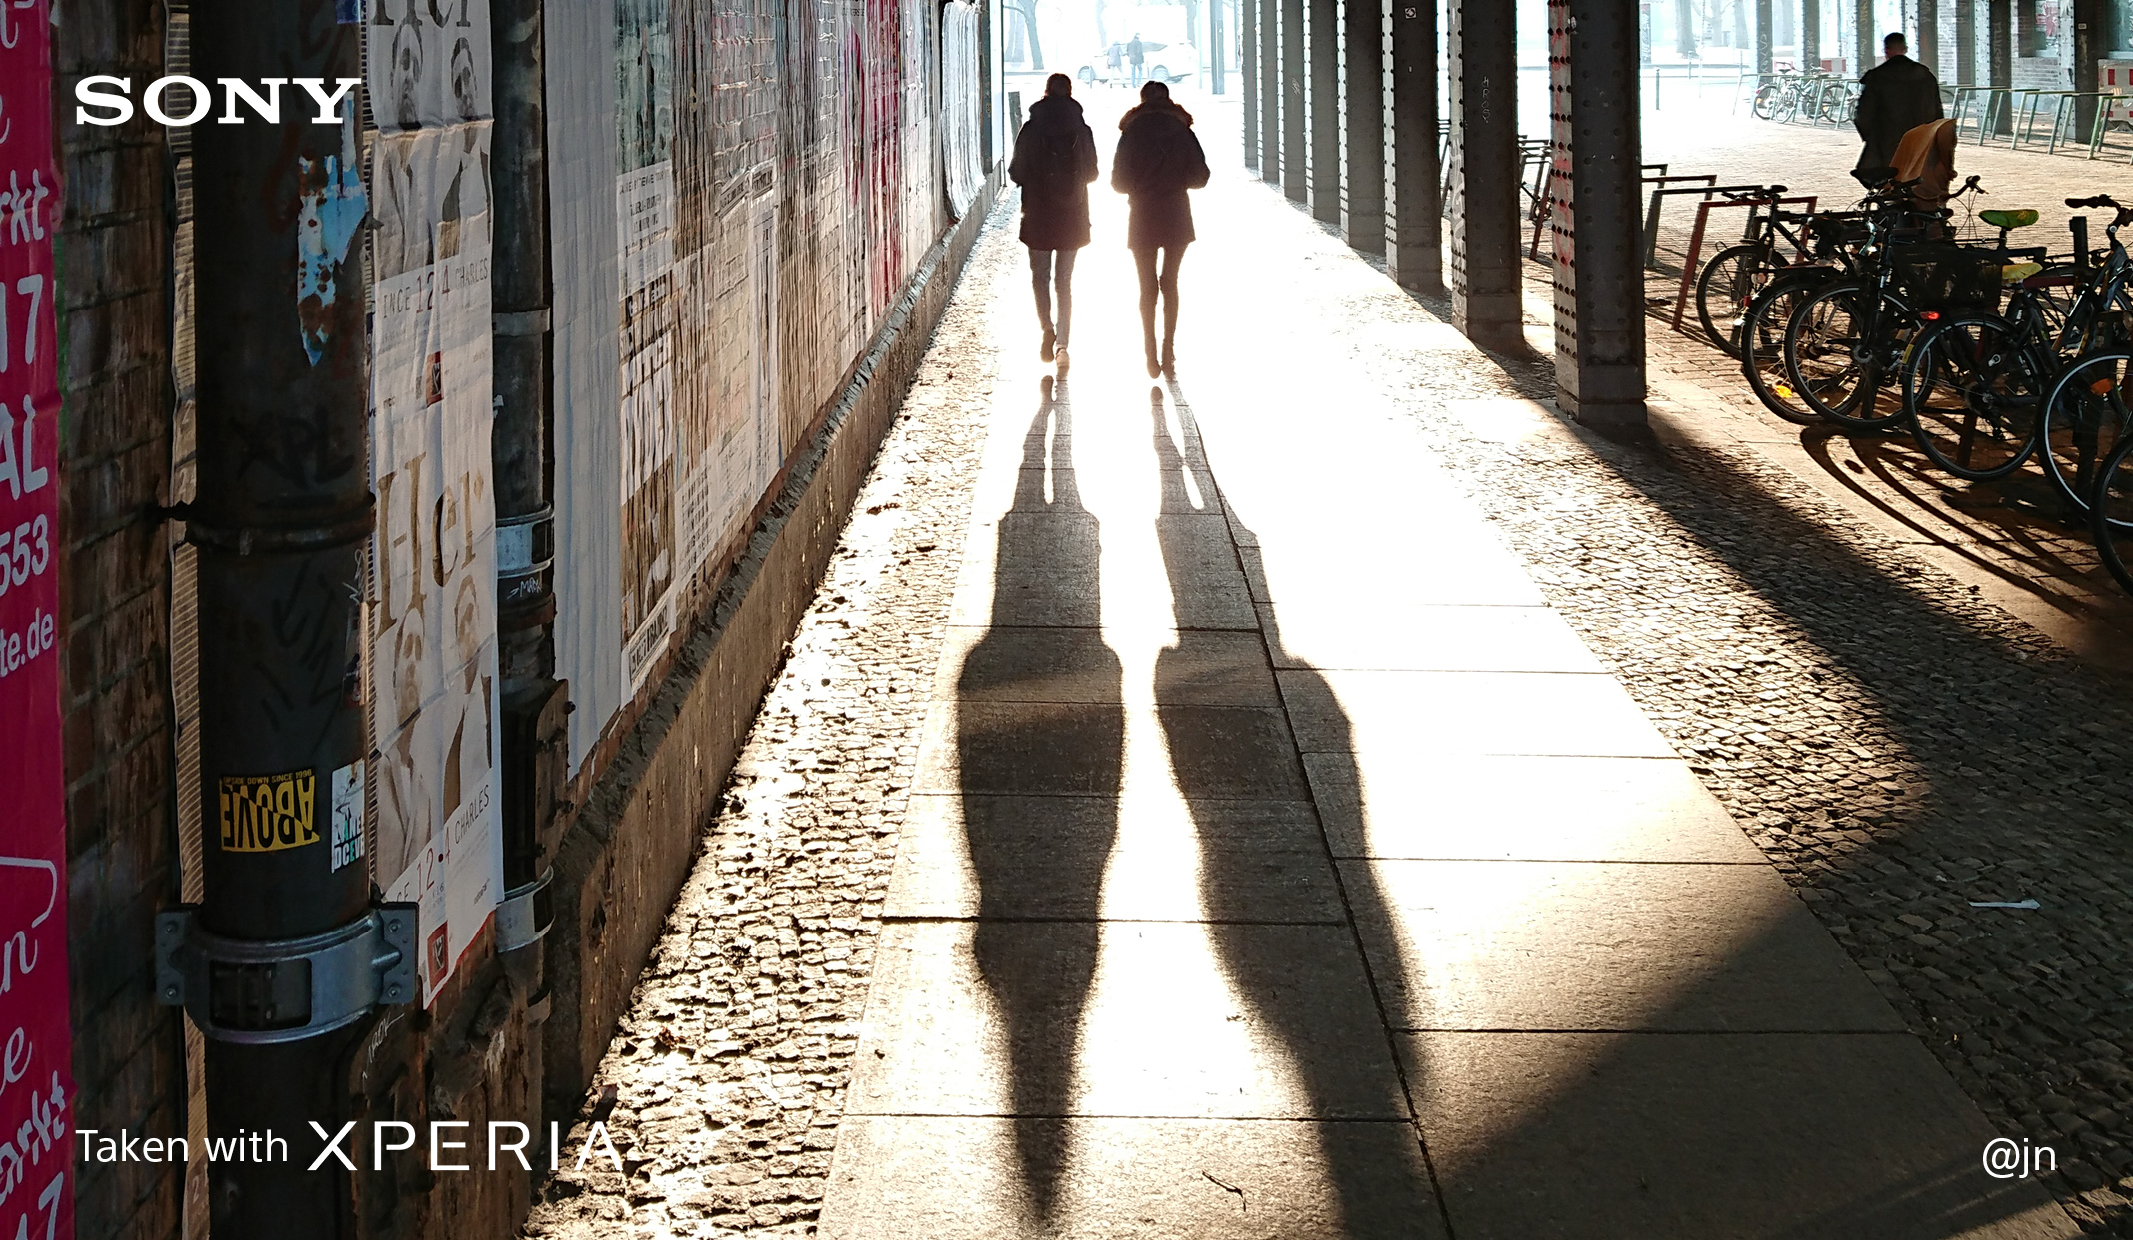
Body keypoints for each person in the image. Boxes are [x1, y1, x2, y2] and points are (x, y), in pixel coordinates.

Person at [1112, 80, 1209, 378]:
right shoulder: (1182, 131)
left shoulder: (1131, 133)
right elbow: (1201, 177)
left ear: (1142, 101)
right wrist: (1175, 180)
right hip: (1176, 212)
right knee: (1170, 282)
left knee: (1147, 286)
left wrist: (1140, 185)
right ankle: (1169, 349)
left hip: (1142, 213)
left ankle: (1150, 353)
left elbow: (1118, 183)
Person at [1009, 73, 1099, 366]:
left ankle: (1046, 328)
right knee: (1064, 281)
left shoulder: (1031, 128)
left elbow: (1016, 172)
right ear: (1070, 93)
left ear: (1046, 92)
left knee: (1040, 276)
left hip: (1038, 213)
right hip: (1072, 213)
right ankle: (1063, 345)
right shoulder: (1081, 129)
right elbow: (1092, 173)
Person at [1853, 32, 1943, 174]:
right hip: (1920, 142)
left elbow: (1863, 115)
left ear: (1886, 50)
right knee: (1917, 180)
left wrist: (1873, 139)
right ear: (1905, 49)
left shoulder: (1876, 76)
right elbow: (1936, 111)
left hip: (1886, 144)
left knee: (1888, 181)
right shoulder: (1925, 75)